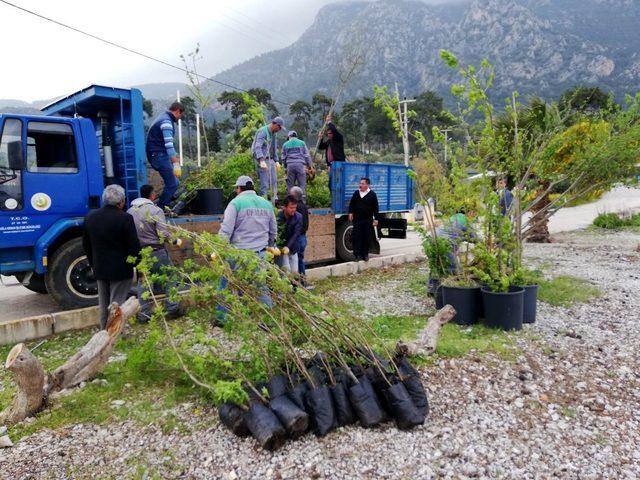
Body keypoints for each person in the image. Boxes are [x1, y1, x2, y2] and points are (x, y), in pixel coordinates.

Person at [217, 175, 277, 320]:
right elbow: (273, 230)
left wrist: (219, 249)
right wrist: (269, 245)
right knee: (260, 287)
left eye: (236, 189)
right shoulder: (266, 204)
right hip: (259, 254)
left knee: (226, 285)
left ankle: (222, 318)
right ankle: (267, 320)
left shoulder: (235, 203)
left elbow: (226, 230)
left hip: (238, 254)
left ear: (239, 188)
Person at [83, 184, 141, 329]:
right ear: (121, 201)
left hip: (100, 268)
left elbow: (86, 244)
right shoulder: (125, 218)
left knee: (103, 303)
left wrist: (93, 264)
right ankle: (115, 333)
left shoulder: (90, 217)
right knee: (117, 304)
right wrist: (136, 264)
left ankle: (103, 330)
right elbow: (133, 246)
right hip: (121, 270)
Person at [127, 184, 181, 323]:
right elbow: (162, 233)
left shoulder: (130, 212)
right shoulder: (155, 210)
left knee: (144, 283)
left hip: (141, 252)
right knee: (170, 276)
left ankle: (144, 315)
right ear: (152, 195)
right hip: (157, 250)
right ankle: (172, 308)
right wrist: (175, 241)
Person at [145, 102, 184, 210]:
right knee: (172, 184)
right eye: (180, 116)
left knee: (175, 182)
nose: (179, 118)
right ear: (177, 111)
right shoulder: (166, 121)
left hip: (157, 154)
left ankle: (162, 203)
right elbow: (169, 145)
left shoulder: (163, 117)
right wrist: (176, 163)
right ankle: (160, 209)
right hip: (159, 155)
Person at [252, 117, 285, 200]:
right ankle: (264, 201)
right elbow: (257, 147)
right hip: (262, 160)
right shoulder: (262, 131)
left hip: (271, 160)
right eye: (279, 127)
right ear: (274, 124)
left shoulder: (274, 133)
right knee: (265, 183)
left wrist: (276, 161)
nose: (280, 129)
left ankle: (274, 201)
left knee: (274, 181)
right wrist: (261, 160)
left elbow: (274, 147)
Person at [348, 177, 379, 261]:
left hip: (367, 220)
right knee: (357, 237)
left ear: (367, 185)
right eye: (360, 183)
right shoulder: (356, 193)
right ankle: (357, 255)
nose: (360, 185)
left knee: (366, 237)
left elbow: (376, 207)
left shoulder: (372, 194)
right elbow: (352, 204)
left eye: (362, 183)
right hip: (357, 219)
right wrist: (350, 213)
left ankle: (365, 254)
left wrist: (376, 219)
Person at [276, 195, 303, 275]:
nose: (293, 210)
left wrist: (288, 246)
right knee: (286, 272)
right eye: (291, 208)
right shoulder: (278, 217)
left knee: (294, 272)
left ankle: (295, 287)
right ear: (284, 207)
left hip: (293, 248)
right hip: (281, 249)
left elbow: (296, 234)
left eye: (295, 208)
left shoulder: (298, 217)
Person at [317, 116, 345, 189]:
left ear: (333, 134)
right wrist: (321, 138)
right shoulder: (329, 142)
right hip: (331, 165)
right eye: (328, 134)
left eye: (330, 133)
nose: (328, 135)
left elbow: (334, 130)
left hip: (338, 163)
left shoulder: (338, 138)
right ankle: (332, 197)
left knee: (338, 181)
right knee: (331, 183)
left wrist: (329, 122)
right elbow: (321, 147)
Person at [281, 131, 313, 195]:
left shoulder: (285, 144)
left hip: (290, 166)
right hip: (300, 165)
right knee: (301, 185)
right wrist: (310, 166)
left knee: (290, 185)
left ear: (289, 137)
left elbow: (283, 158)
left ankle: (290, 202)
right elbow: (307, 155)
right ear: (296, 136)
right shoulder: (302, 143)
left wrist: (285, 167)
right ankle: (301, 202)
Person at [289, 186, 309, 281]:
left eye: (290, 194)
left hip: (299, 237)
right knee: (300, 260)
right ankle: (303, 281)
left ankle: (300, 283)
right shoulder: (304, 206)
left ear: (295, 196)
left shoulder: (297, 208)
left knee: (297, 261)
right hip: (303, 237)